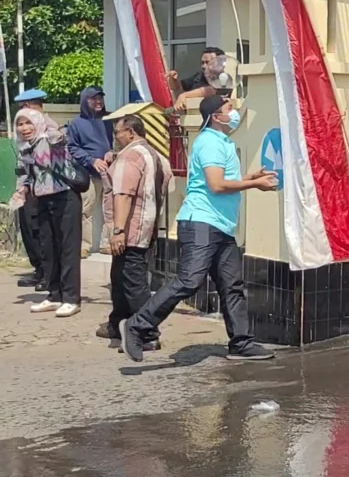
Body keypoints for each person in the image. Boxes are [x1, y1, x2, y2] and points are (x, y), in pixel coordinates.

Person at [121, 96, 277, 362]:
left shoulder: (223, 142)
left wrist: (249, 178)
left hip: (220, 225)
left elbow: (221, 181)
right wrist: (254, 185)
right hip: (201, 222)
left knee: (232, 285)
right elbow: (216, 185)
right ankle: (138, 325)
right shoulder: (209, 142)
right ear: (216, 116)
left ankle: (241, 342)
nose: (234, 113)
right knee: (189, 280)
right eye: (229, 109)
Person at [96, 115, 172, 351]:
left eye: (117, 132)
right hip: (147, 226)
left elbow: (124, 194)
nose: (116, 138)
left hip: (130, 230)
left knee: (133, 282)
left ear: (130, 131)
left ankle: (147, 333)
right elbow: (167, 181)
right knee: (119, 277)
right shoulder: (155, 155)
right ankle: (117, 322)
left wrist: (118, 230)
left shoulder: (131, 156)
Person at [10, 108, 85, 317]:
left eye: (28, 122)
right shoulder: (25, 147)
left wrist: (47, 121)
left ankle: (71, 298)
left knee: (68, 249)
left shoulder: (49, 139)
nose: (24, 128)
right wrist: (21, 191)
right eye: (20, 123)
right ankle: (54, 295)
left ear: (37, 122)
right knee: (48, 248)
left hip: (65, 197)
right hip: (42, 200)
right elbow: (28, 175)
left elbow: (59, 136)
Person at [66, 86, 113, 258]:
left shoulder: (110, 118)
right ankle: (84, 246)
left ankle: (108, 243)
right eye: (94, 98)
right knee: (87, 209)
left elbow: (120, 139)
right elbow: (72, 148)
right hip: (89, 174)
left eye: (100, 97)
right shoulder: (77, 123)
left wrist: (112, 152)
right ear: (85, 101)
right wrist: (91, 160)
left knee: (111, 208)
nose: (98, 101)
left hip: (110, 172)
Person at [13, 89, 51, 289]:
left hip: (41, 189)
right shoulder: (23, 128)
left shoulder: (46, 127)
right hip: (26, 187)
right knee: (28, 229)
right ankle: (39, 270)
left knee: (39, 230)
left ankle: (47, 273)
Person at [169, 47, 233, 112]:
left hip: (214, 118)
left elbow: (212, 90)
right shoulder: (199, 76)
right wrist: (173, 79)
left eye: (208, 62)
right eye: (202, 63)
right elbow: (177, 87)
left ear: (219, 63)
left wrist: (184, 95)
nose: (204, 66)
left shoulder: (225, 78)